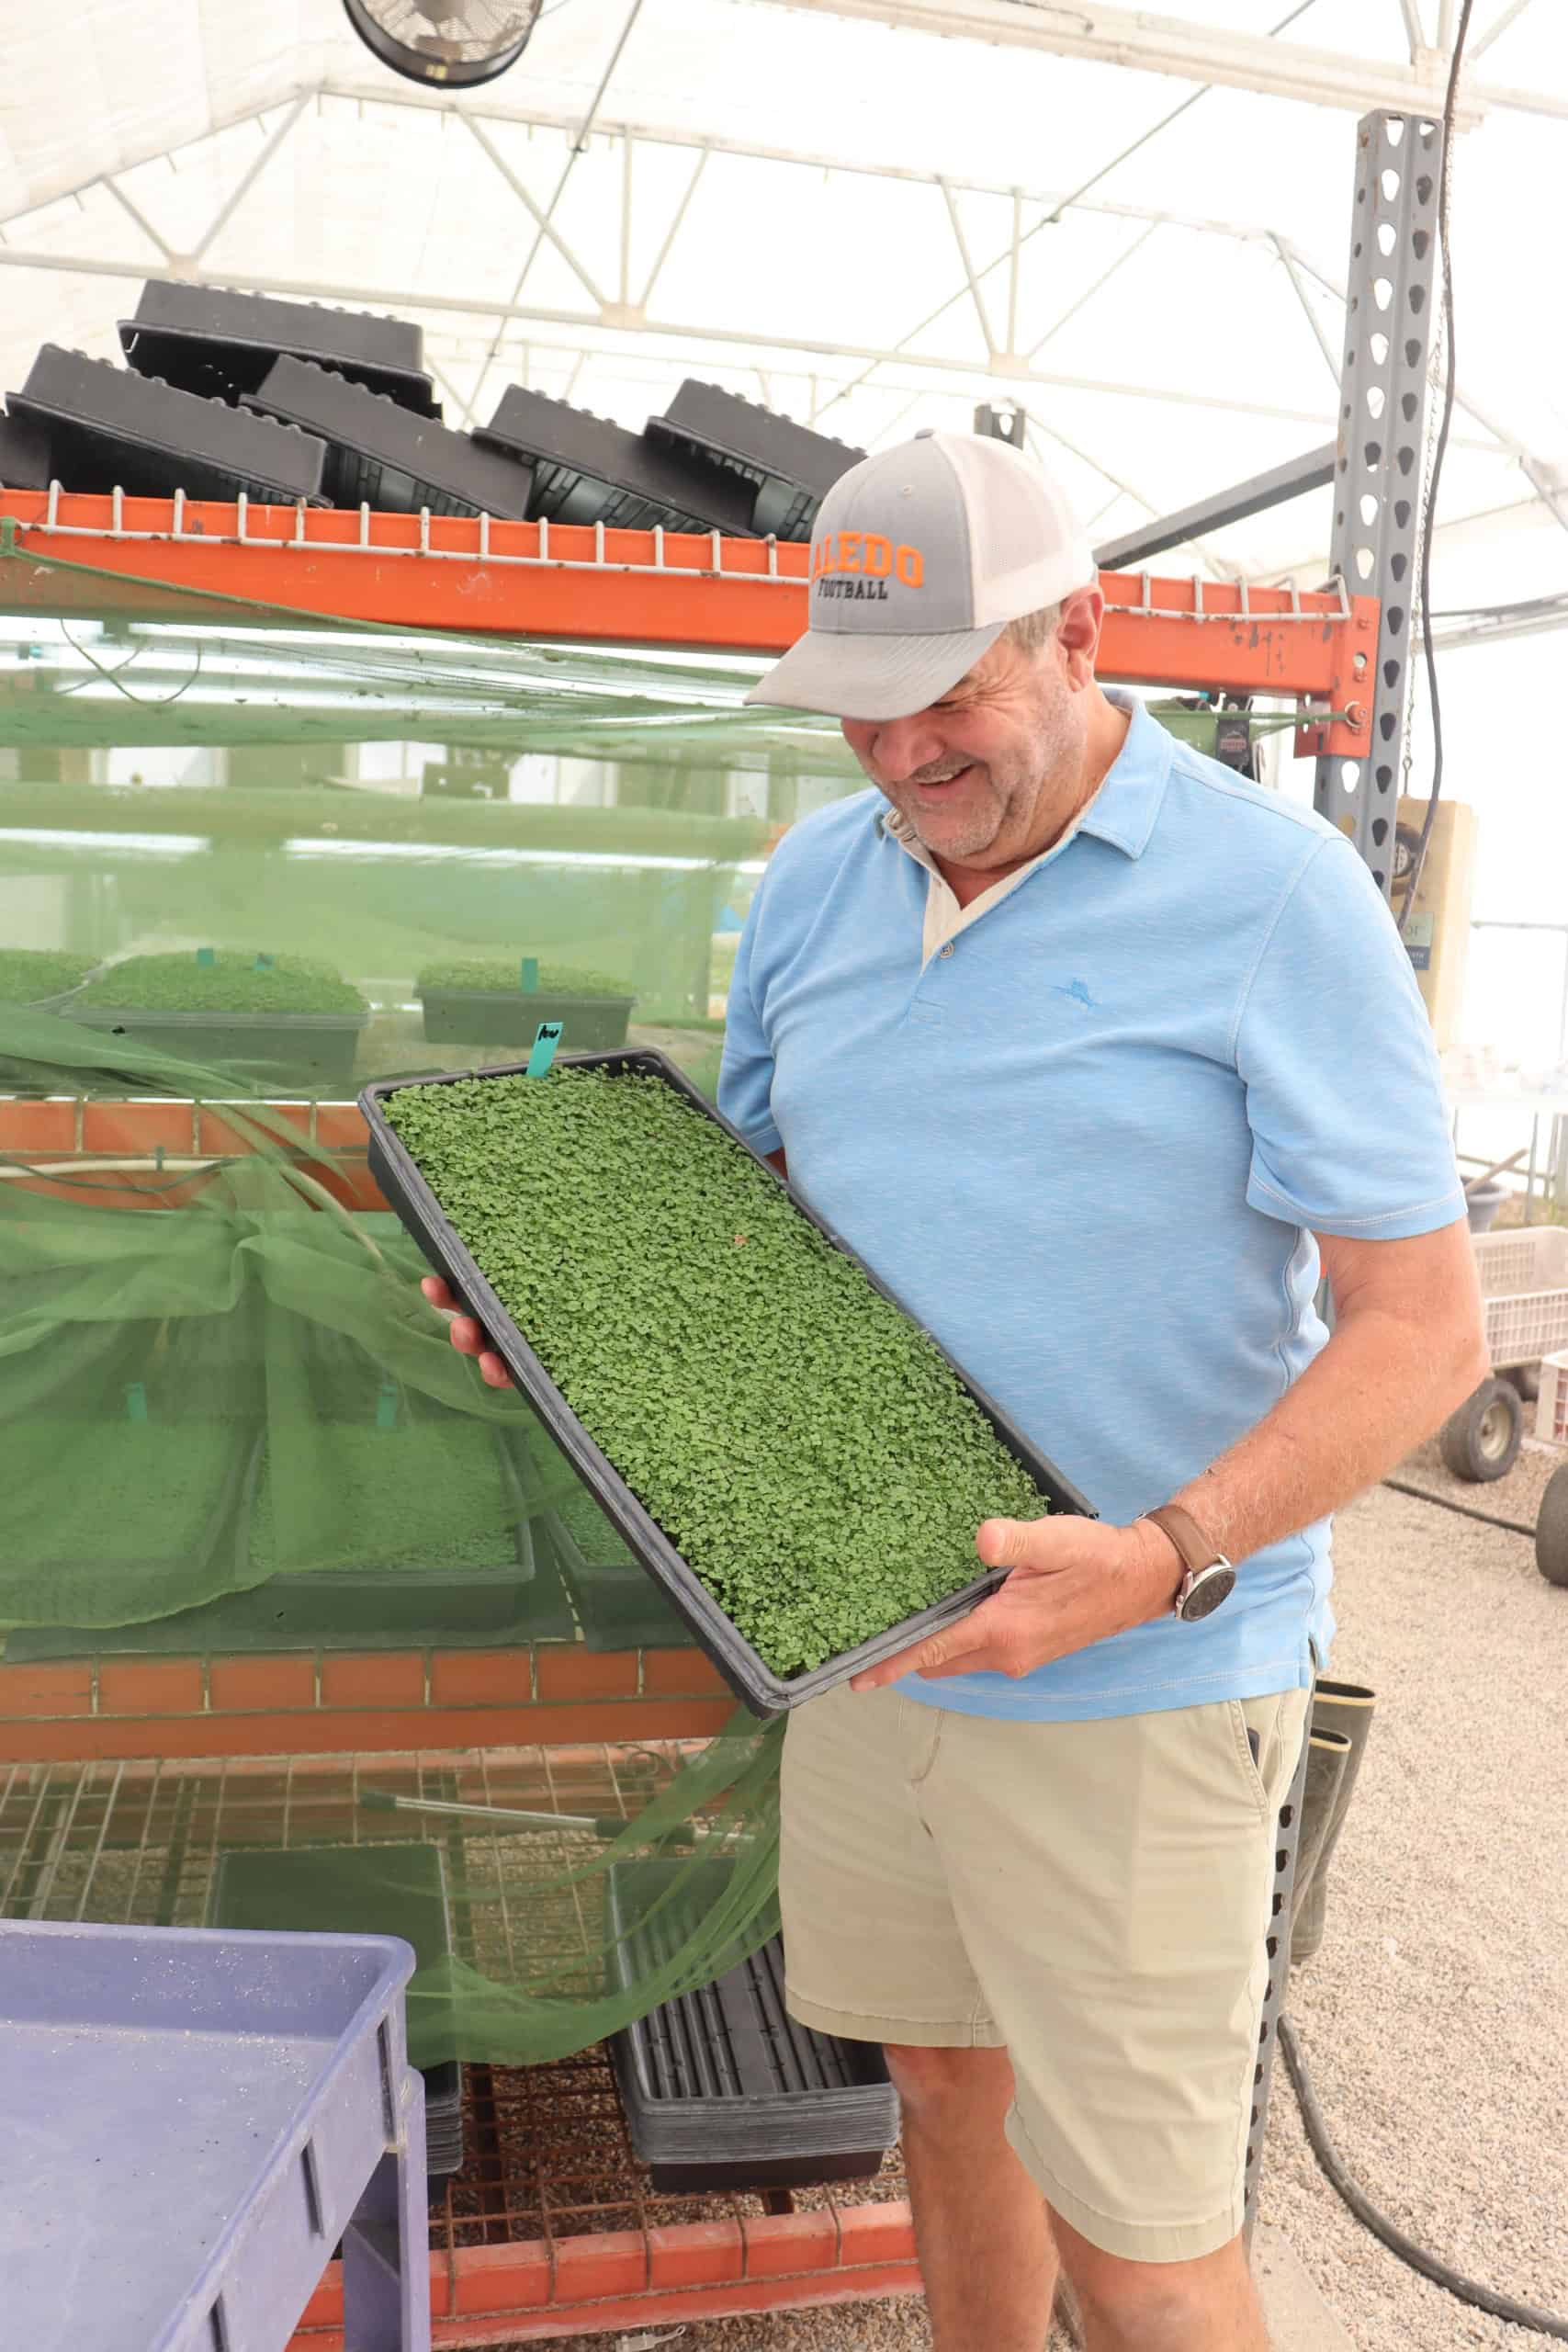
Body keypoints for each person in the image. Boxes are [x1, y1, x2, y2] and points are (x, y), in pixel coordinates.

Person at [424, 429, 1487, 2352]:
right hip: (869, 1647)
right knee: (936, 2085)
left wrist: (1167, 1550)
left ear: (1080, 633)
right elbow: (757, 1222)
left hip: (1139, 1683)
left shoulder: (1271, 896)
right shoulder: (818, 881)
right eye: (858, 715)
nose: (903, 758)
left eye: (948, 698)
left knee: (1146, 2249)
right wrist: (575, 1303)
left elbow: (1419, 1325)